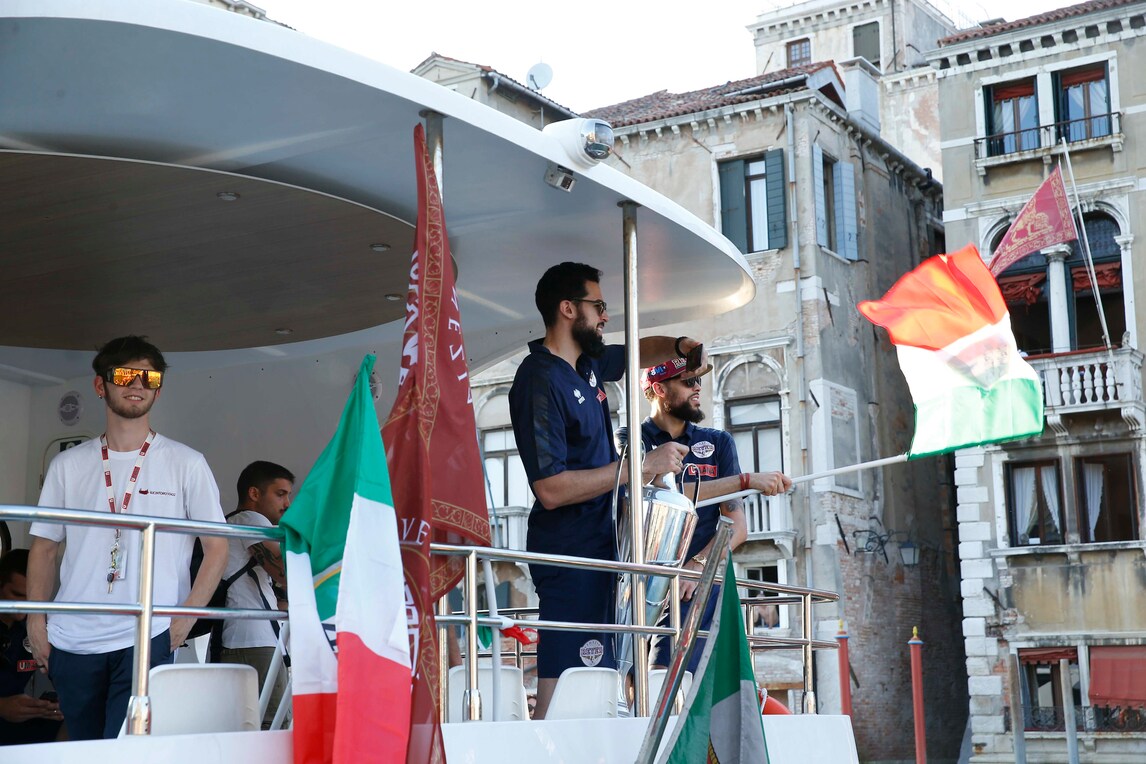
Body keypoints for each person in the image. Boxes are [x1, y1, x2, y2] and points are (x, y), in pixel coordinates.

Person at [509, 261, 699, 719]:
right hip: (569, 552)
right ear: (568, 308)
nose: (606, 316)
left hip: (603, 546)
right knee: (565, 683)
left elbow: (637, 353)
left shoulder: (587, 362)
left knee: (603, 682)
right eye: (599, 306)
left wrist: (679, 347)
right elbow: (550, 488)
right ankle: (542, 747)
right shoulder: (538, 379)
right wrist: (641, 467)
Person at [26, 335, 228, 740]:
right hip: (72, 637)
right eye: (124, 375)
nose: (137, 384)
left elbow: (217, 547)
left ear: (158, 389)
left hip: (147, 634)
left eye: (149, 378)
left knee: (128, 749)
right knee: (84, 746)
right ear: (100, 385)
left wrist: (185, 619)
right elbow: (45, 548)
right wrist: (35, 621)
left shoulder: (187, 463)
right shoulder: (67, 464)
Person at [639, 358, 792, 671]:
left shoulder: (718, 442)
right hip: (638, 584)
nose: (698, 388)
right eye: (688, 381)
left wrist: (697, 565)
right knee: (627, 680)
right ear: (660, 389)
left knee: (670, 677)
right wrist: (745, 481)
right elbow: (651, 497)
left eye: (699, 380)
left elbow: (737, 528)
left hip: (694, 588)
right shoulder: (630, 440)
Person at [219, 460, 293, 729]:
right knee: (273, 728)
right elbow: (285, 572)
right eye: (280, 494)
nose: (287, 504)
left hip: (238, 640)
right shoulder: (251, 519)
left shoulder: (232, 521)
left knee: (246, 729)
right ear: (254, 493)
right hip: (255, 642)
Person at [0, 550, 64, 745]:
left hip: (25, 722)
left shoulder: (41, 628)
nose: (25, 605)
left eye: (32, 598)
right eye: (18, 595)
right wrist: (2, 707)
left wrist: (57, 706)